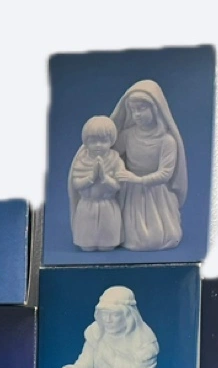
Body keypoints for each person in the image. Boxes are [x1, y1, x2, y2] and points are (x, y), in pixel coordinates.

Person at [111, 80, 186, 251]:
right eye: (133, 110)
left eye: (142, 108)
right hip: (131, 194)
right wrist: (118, 168)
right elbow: (112, 154)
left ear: (156, 109)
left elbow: (165, 174)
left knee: (158, 236)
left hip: (156, 193)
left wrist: (138, 180)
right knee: (132, 236)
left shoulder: (167, 141)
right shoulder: (128, 135)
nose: (137, 114)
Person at [67, 115, 133, 251]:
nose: (98, 145)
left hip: (107, 205)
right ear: (86, 141)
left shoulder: (115, 160)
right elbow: (76, 184)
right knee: (87, 245)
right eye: (93, 141)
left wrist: (104, 177)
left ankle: (108, 241)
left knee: (107, 245)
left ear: (111, 140)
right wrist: (91, 177)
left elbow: (119, 186)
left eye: (103, 141)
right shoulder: (81, 160)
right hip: (87, 205)